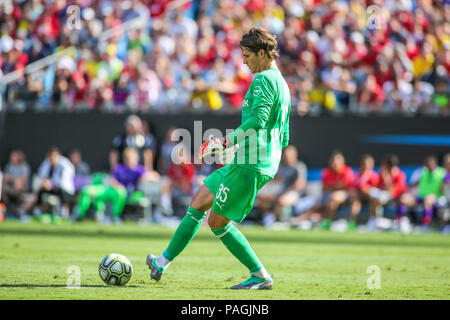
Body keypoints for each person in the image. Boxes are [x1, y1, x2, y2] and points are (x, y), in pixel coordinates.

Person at [146, 27, 291, 290]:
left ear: (262, 53)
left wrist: (226, 142)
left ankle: (260, 275)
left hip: (251, 163)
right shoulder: (282, 83)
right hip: (249, 159)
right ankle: (161, 262)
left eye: (247, 55)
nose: (244, 61)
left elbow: (257, 121)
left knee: (217, 222)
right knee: (200, 200)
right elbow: (284, 135)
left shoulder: (264, 80)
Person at [398, 155, 446, 228]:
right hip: (421, 197)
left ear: (434, 164)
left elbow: (446, 184)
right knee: (404, 198)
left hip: (436, 197)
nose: (428, 167)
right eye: (427, 165)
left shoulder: (442, 172)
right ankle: (400, 222)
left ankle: (425, 224)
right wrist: (406, 189)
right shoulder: (423, 171)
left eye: (430, 165)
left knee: (428, 199)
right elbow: (415, 184)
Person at [35, 147, 75, 218]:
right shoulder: (47, 162)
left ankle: (64, 214)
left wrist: (51, 184)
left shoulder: (64, 164)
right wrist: (45, 182)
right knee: (41, 190)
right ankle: (38, 212)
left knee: (61, 191)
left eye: (53, 157)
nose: (51, 159)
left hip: (66, 191)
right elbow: (41, 175)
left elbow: (64, 183)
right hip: (53, 188)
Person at [320, 151, 355, 230]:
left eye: (337, 161)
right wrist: (337, 186)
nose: (335, 163)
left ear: (343, 162)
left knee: (336, 197)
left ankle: (352, 223)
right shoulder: (326, 172)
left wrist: (332, 186)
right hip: (328, 197)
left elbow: (346, 185)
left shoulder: (347, 171)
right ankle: (326, 222)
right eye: (333, 160)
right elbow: (324, 188)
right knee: (330, 200)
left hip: (346, 196)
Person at [349, 154, 380, 230]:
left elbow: (376, 188)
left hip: (371, 199)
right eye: (365, 164)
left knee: (374, 198)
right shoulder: (357, 176)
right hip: (359, 198)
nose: (367, 166)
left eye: (369, 164)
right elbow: (355, 187)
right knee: (355, 203)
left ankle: (373, 222)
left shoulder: (375, 176)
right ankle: (352, 224)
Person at [1, 150, 31, 220]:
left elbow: (22, 181)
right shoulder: (9, 166)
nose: (11, 157)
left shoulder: (24, 167)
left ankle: (18, 211)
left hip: (21, 190)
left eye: (13, 156)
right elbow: (4, 177)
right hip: (8, 188)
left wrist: (11, 178)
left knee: (18, 184)